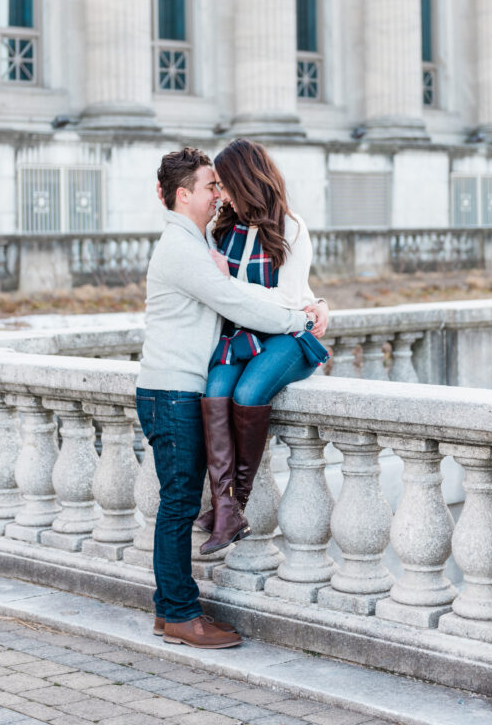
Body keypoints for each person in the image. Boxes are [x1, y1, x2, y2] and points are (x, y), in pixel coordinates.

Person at [137, 147, 322, 650]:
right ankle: (179, 614)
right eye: (209, 187)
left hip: (175, 388)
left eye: (221, 185)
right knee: (177, 507)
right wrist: (300, 320)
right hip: (173, 392)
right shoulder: (185, 248)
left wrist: (311, 302)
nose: (217, 194)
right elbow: (234, 301)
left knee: (174, 505)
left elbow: (268, 286)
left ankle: (167, 611)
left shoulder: (197, 239)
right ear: (183, 195)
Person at [196, 139, 329, 555]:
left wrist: (230, 288)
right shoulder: (220, 230)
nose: (221, 195)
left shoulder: (292, 228)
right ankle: (224, 508)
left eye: (225, 185)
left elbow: (290, 300)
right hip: (238, 336)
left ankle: (236, 504)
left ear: (245, 181)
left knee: (249, 392)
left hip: (286, 337)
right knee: (216, 391)